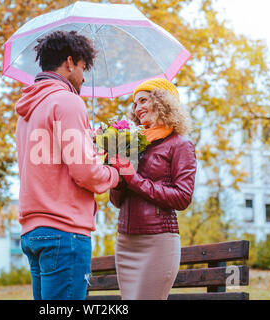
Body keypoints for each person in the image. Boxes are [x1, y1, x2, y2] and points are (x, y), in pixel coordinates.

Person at [15, 30, 119, 300]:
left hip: (33, 231)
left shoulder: (28, 110)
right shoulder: (67, 101)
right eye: (84, 68)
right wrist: (114, 173)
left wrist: (89, 143)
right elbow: (86, 173)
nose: (84, 77)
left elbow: (51, 164)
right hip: (65, 231)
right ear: (70, 62)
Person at [109, 78, 197, 300]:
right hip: (126, 242)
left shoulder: (180, 144)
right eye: (135, 104)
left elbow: (182, 198)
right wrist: (117, 176)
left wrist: (133, 178)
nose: (138, 109)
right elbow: (117, 201)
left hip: (158, 241)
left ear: (163, 102)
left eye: (143, 101)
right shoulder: (133, 144)